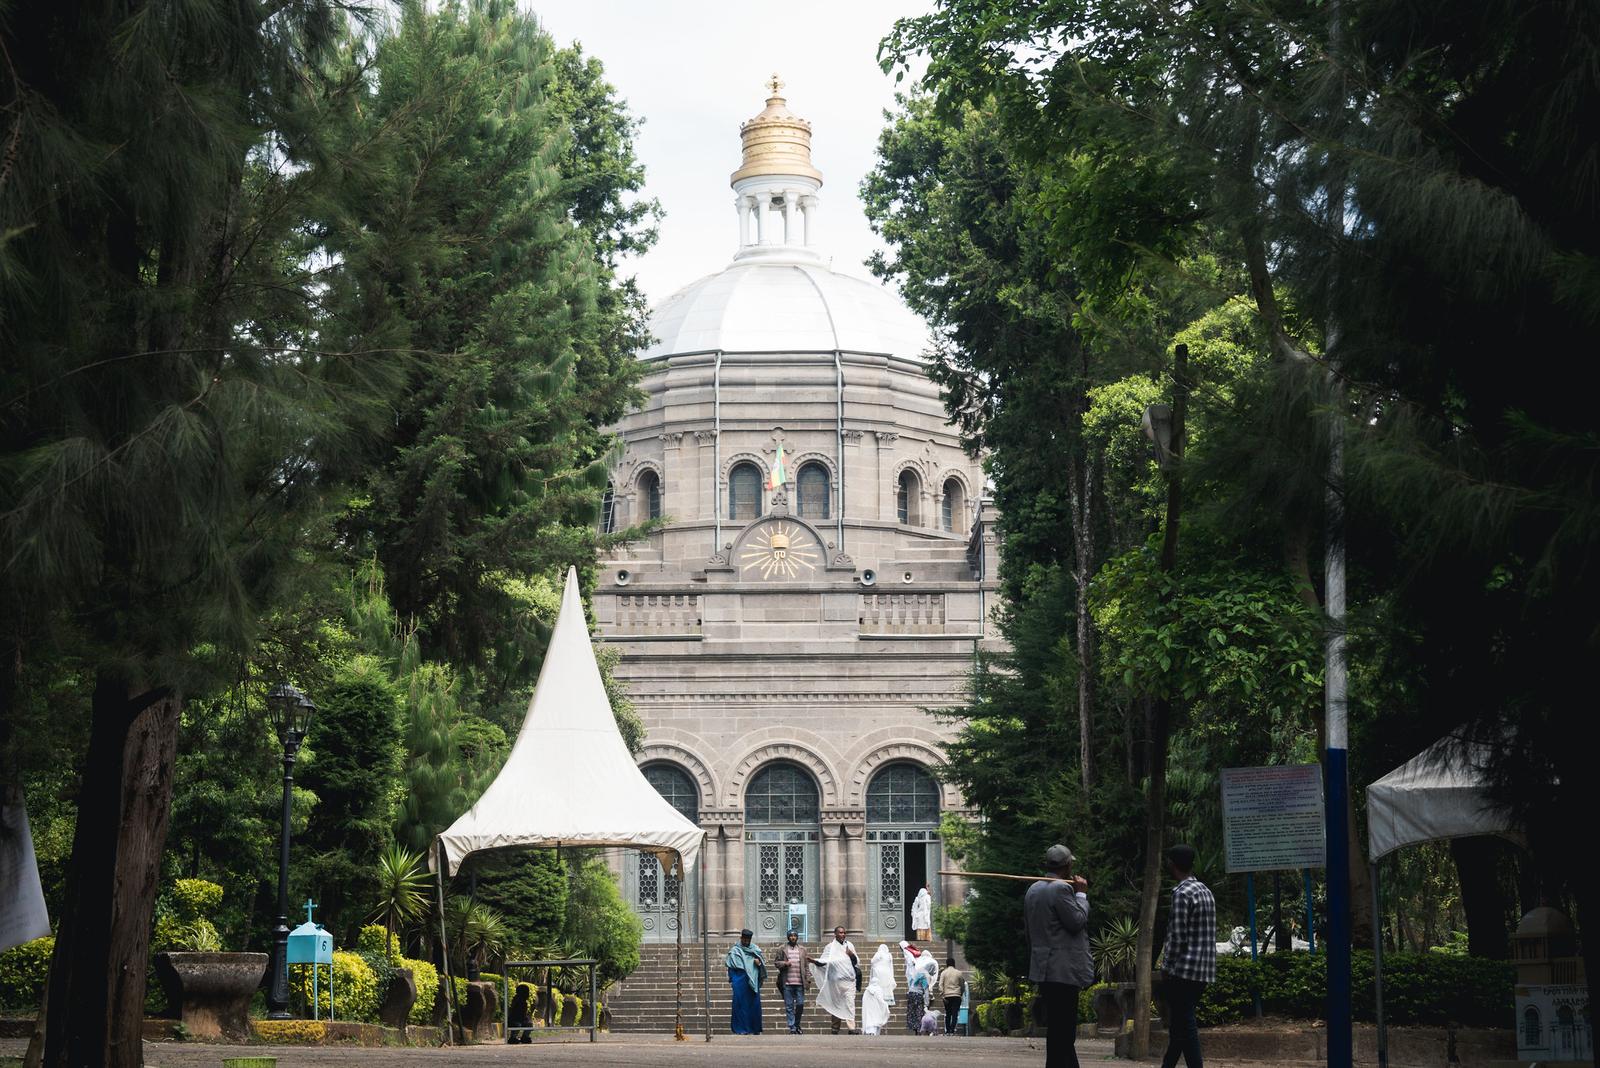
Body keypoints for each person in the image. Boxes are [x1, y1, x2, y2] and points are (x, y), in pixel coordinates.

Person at [1024, 843, 1091, 1068]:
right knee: (1064, 1028)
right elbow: (1077, 921)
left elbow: (1029, 931)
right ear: (1068, 865)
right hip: (1063, 969)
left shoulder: (1032, 890)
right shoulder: (1061, 888)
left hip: (1043, 967)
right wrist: (1081, 895)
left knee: (1057, 1027)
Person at [1157, 844, 1216, 1068]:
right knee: (1180, 1026)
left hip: (1184, 970)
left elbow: (1177, 936)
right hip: (1204, 971)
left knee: (1186, 1025)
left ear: (1172, 864)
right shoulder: (1205, 890)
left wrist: (1166, 966)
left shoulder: (1181, 893)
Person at [812, 925, 858, 1034]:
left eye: (844, 933)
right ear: (835, 934)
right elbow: (824, 961)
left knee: (850, 1004)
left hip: (849, 981)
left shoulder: (849, 945)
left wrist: (851, 955)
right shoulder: (830, 947)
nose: (842, 935)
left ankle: (851, 1029)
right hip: (836, 982)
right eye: (840, 933)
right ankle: (835, 1028)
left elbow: (856, 962)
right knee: (836, 1004)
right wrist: (814, 961)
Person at [724, 928, 766, 1035]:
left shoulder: (755, 950)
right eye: (745, 939)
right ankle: (740, 1029)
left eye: (748, 940)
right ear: (741, 938)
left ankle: (754, 1028)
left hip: (752, 982)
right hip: (739, 980)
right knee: (739, 1005)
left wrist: (759, 962)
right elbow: (731, 966)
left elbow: (762, 963)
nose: (746, 941)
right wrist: (733, 980)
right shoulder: (735, 950)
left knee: (753, 1005)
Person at [775, 928, 811, 1034]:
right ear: (788, 937)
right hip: (787, 982)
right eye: (791, 935)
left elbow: (806, 966)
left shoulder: (802, 950)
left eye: (795, 935)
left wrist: (808, 979)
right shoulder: (782, 949)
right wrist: (785, 963)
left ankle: (796, 1024)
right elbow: (776, 963)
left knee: (800, 1004)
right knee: (789, 1006)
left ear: (797, 937)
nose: (793, 937)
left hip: (800, 982)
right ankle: (792, 1027)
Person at [860, 943, 895, 1035]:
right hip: (887, 973)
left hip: (879, 973)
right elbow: (891, 967)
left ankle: (881, 997)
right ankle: (886, 998)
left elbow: (872, 961)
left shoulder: (878, 954)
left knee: (879, 988)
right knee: (883, 988)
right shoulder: (889, 955)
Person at [938, 957, 965, 1035]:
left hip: (947, 995)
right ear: (954, 964)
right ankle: (952, 1030)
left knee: (948, 1013)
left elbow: (940, 984)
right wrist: (961, 993)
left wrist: (942, 994)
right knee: (955, 1013)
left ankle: (947, 1031)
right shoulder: (959, 973)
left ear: (947, 964)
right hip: (956, 995)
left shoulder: (944, 973)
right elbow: (962, 985)